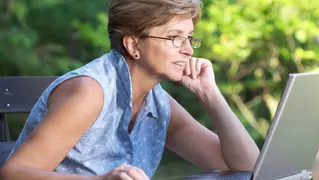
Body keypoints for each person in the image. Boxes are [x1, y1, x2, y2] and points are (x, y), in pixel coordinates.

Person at [0, 0, 260, 179]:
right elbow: (13, 174)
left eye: (190, 38)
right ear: (133, 45)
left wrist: (210, 95)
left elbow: (247, 168)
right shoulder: (89, 92)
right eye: (175, 38)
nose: (189, 50)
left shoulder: (158, 103)